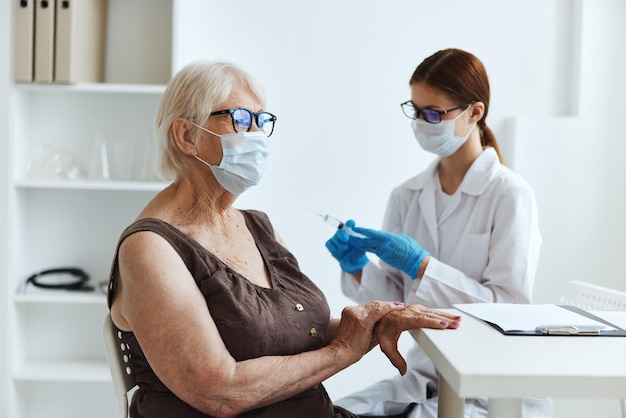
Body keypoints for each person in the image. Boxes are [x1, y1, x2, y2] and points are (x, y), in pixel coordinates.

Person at [106, 60, 461, 418]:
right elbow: (219, 392)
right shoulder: (151, 248)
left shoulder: (258, 227)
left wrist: (374, 324)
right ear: (186, 136)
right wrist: (342, 352)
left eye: (262, 121)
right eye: (241, 119)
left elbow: (298, 334)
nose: (256, 135)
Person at [325, 48, 552, 418]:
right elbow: (399, 304)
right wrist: (358, 267)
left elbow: (509, 310)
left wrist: (422, 266)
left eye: (433, 113)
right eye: (415, 110)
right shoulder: (406, 195)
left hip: (493, 387)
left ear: (475, 112)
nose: (421, 122)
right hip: (424, 376)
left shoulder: (510, 195)